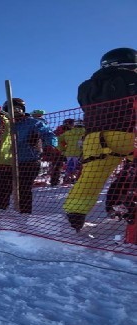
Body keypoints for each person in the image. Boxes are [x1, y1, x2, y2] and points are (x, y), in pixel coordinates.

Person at [64, 47, 137, 231]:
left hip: (94, 137)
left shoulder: (86, 86)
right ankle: (127, 202)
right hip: (127, 132)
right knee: (132, 172)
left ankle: (75, 213)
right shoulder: (132, 79)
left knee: (90, 178)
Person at [3, 98, 57, 213]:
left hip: (29, 160)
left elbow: (48, 134)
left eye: (18, 108)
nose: (16, 111)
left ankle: (24, 213)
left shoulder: (32, 122)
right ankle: (2, 212)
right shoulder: (5, 125)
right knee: (4, 187)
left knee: (23, 188)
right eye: (12, 109)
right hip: (8, 162)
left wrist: (49, 145)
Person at [56, 119, 85, 184]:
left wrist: (62, 150)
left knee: (70, 166)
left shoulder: (67, 133)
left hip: (69, 153)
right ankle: (79, 180)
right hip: (83, 152)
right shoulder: (87, 132)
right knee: (81, 167)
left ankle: (69, 179)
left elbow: (57, 141)